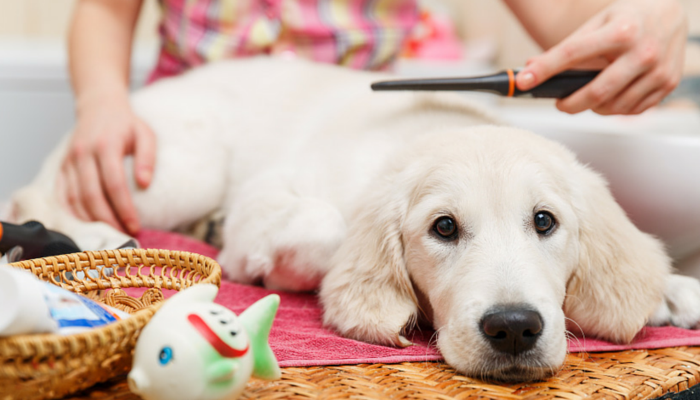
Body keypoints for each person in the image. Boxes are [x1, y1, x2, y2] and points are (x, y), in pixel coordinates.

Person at [62, 0, 687, 236]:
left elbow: (573, 22)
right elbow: (105, 9)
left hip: (364, 152)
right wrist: (101, 103)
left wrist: (642, 16)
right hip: (195, 134)